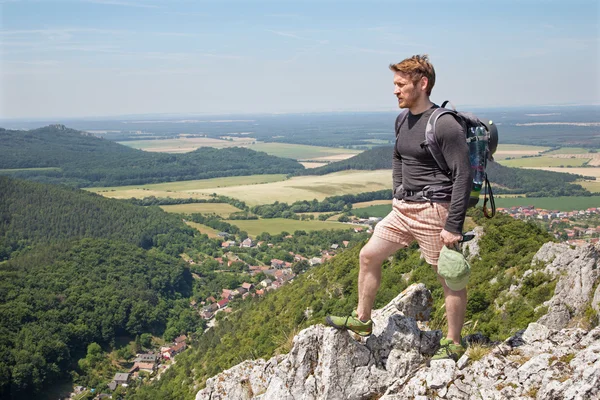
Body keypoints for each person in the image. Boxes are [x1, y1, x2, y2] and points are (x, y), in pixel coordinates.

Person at [325, 54, 472, 361]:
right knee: (368, 256)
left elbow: (463, 176)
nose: (395, 90)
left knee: (449, 276)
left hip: (434, 210)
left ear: (423, 83)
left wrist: (453, 226)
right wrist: (397, 191)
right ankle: (363, 321)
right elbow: (398, 156)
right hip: (403, 209)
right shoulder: (402, 119)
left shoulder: (444, 125)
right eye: (395, 84)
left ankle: (454, 342)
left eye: (401, 84)